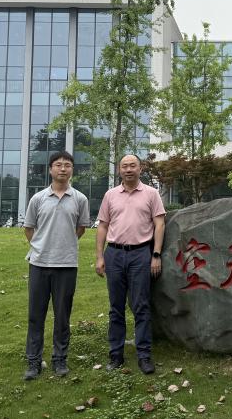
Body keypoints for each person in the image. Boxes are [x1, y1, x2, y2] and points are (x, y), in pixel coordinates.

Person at [22, 151, 90, 380]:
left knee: (62, 316)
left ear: (72, 170)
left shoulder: (80, 199)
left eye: (67, 165)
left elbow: (81, 228)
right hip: (39, 263)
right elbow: (29, 228)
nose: (63, 168)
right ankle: (33, 361)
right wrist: (42, 246)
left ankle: (59, 359)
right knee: (36, 315)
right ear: (50, 169)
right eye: (58, 165)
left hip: (67, 265)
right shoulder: (38, 198)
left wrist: (64, 245)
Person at [95, 154, 166, 375]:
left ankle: (144, 355)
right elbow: (103, 226)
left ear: (140, 169)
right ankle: (115, 354)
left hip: (141, 254)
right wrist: (99, 256)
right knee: (115, 307)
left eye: (132, 165)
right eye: (124, 166)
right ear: (119, 170)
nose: (128, 169)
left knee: (141, 306)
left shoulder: (151, 194)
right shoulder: (110, 195)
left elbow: (160, 223)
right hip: (114, 254)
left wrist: (156, 254)